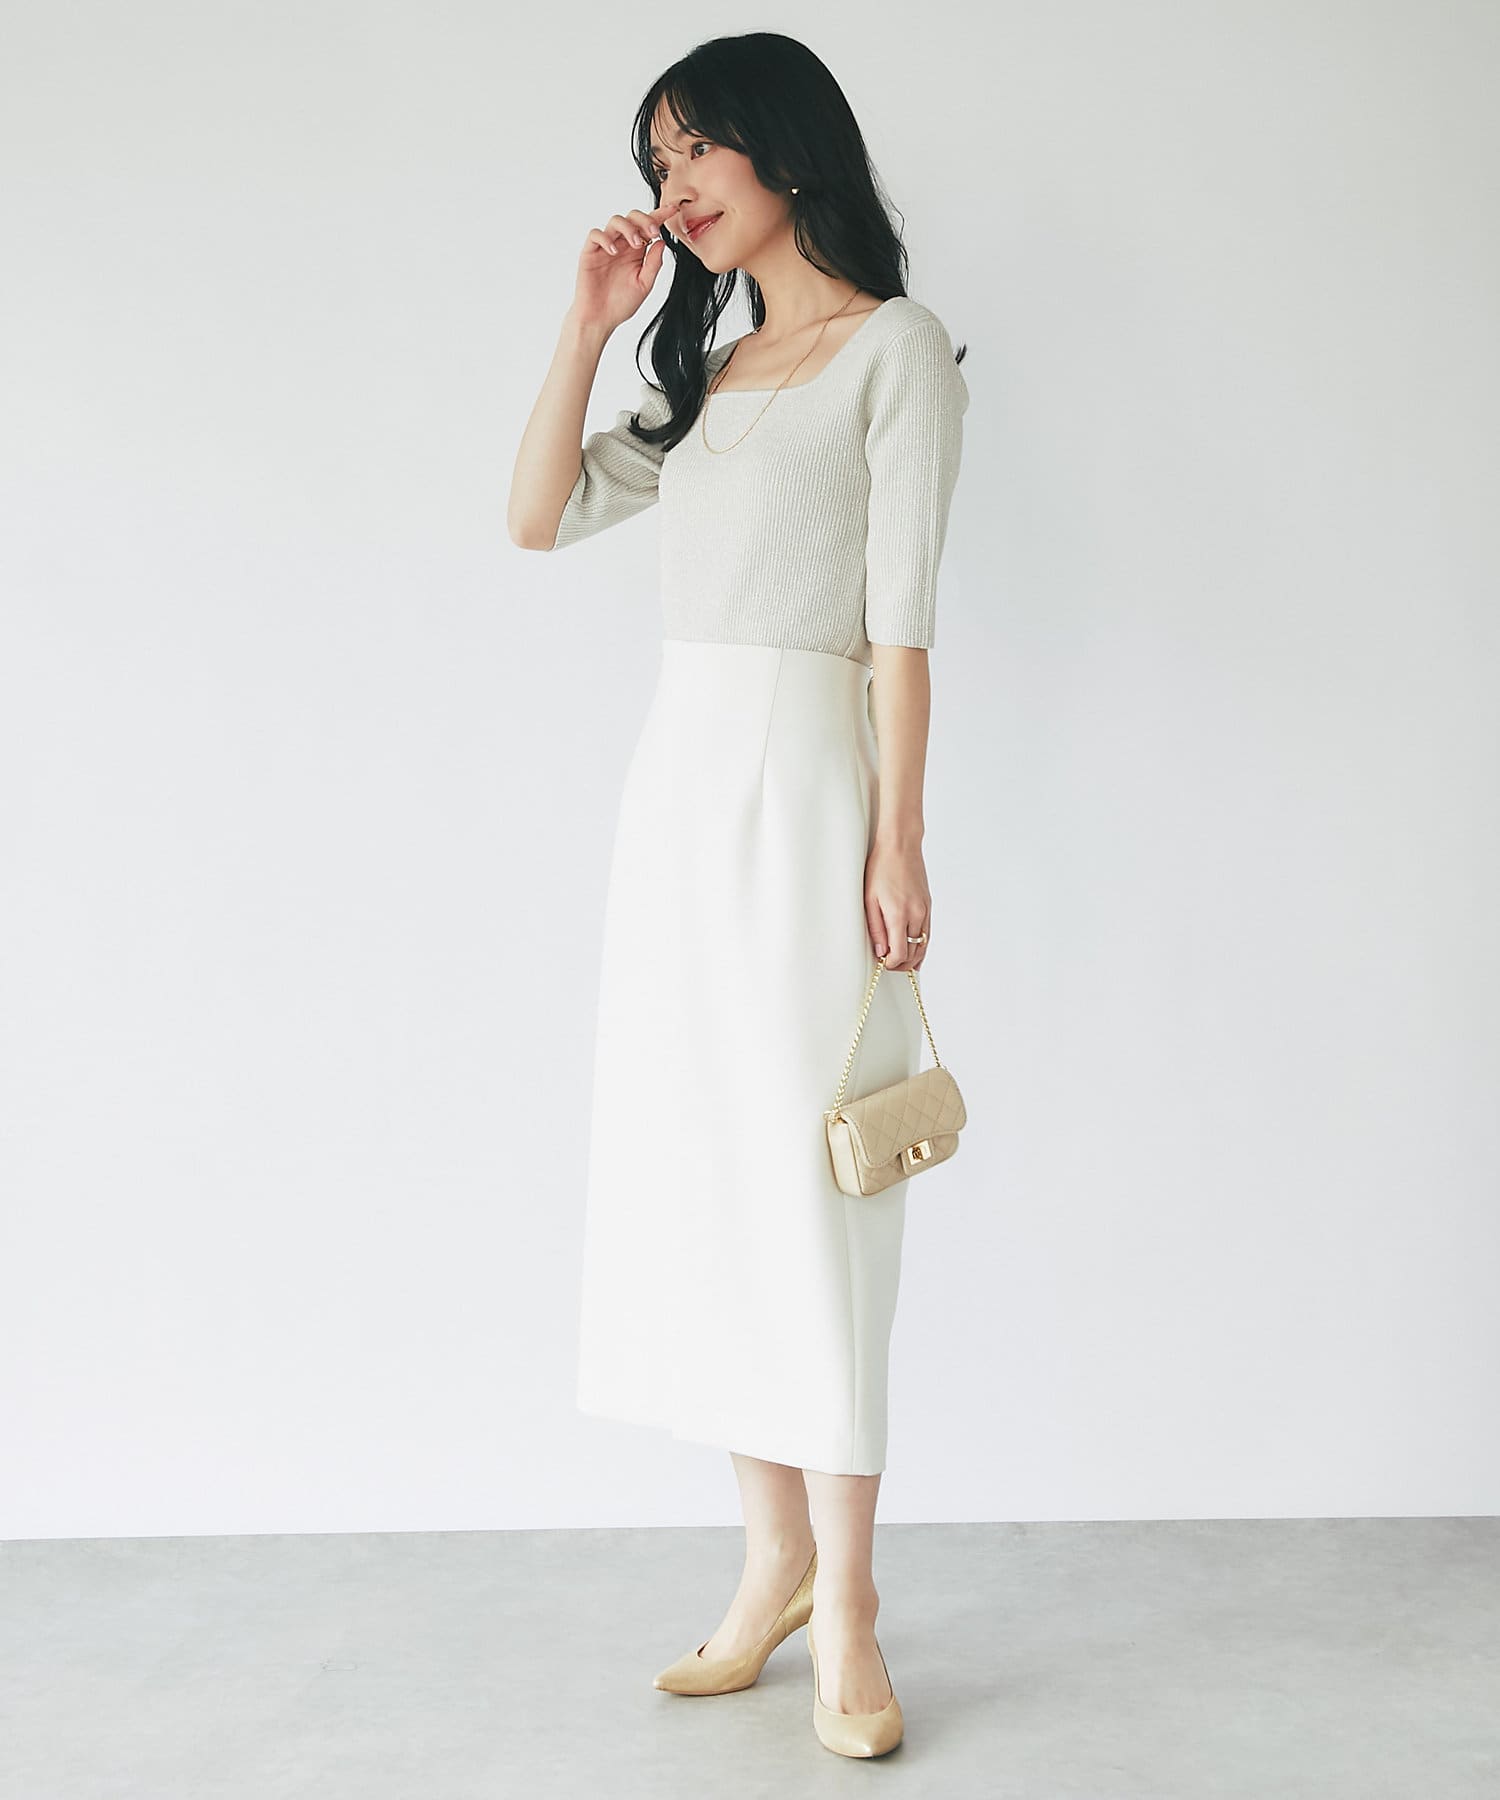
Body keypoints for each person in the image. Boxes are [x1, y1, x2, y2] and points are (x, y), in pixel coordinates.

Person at [507, 31, 968, 1760]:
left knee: (815, 1190)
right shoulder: (703, 373)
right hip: (681, 792)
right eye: (656, 160)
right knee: (704, 1166)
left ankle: (848, 1603)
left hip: (810, 785)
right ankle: (771, 1556)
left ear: (786, 146)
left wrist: (898, 837)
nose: (675, 184)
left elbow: (902, 625)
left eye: (697, 146)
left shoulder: (895, 350)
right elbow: (536, 516)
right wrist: (589, 325)